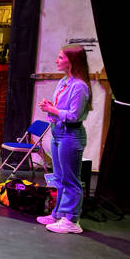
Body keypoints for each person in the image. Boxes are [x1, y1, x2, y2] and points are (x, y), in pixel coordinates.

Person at [36, 45, 92, 234]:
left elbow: (74, 115)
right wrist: (52, 107)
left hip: (71, 134)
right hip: (58, 133)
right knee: (59, 178)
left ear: (72, 61)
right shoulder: (64, 82)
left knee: (70, 179)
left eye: (60, 57)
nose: (56, 60)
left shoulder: (79, 86)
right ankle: (58, 213)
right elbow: (62, 110)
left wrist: (52, 110)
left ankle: (71, 220)